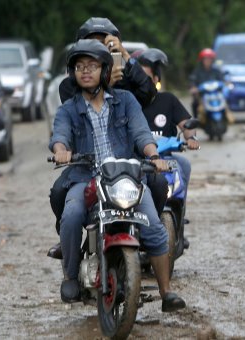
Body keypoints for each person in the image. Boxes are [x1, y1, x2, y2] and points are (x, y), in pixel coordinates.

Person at [50, 39, 185, 311]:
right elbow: (60, 136)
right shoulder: (68, 109)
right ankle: (71, 276)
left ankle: (166, 292)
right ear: (73, 73)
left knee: (156, 229)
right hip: (85, 178)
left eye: (92, 66)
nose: (85, 71)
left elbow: (141, 134)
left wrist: (154, 157)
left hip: (126, 177)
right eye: (79, 67)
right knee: (72, 214)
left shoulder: (126, 101)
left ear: (105, 69)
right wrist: (61, 150)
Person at [48, 17, 157, 259]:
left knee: (159, 183)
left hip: (129, 155)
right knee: (59, 192)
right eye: (88, 50)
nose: (93, 56)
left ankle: (149, 236)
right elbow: (66, 122)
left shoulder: (126, 75)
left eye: (103, 46)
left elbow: (150, 94)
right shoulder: (73, 85)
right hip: (88, 161)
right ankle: (68, 242)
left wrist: (126, 57)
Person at [137, 48, 200, 212]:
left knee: (184, 165)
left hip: (165, 158)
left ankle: (179, 217)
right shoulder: (127, 102)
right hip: (136, 159)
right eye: (138, 79)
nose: (141, 83)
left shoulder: (168, 100)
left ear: (156, 79)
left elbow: (186, 124)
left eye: (146, 79)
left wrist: (191, 138)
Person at [59, 17, 156, 108]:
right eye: (91, 43)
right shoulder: (70, 84)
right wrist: (106, 85)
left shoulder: (123, 79)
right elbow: (77, 114)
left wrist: (125, 55)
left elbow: (149, 95)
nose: (96, 49)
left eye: (102, 44)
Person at [189, 48, 224, 118]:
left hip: (215, 94)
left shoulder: (216, 71)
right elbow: (192, 80)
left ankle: (226, 117)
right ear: (202, 60)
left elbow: (222, 80)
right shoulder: (197, 71)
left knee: (225, 100)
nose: (208, 60)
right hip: (202, 95)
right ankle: (196, 120)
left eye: (209, 59)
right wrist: (193, 87)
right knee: (194, 103)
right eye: (206, 59)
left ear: (212, 60)